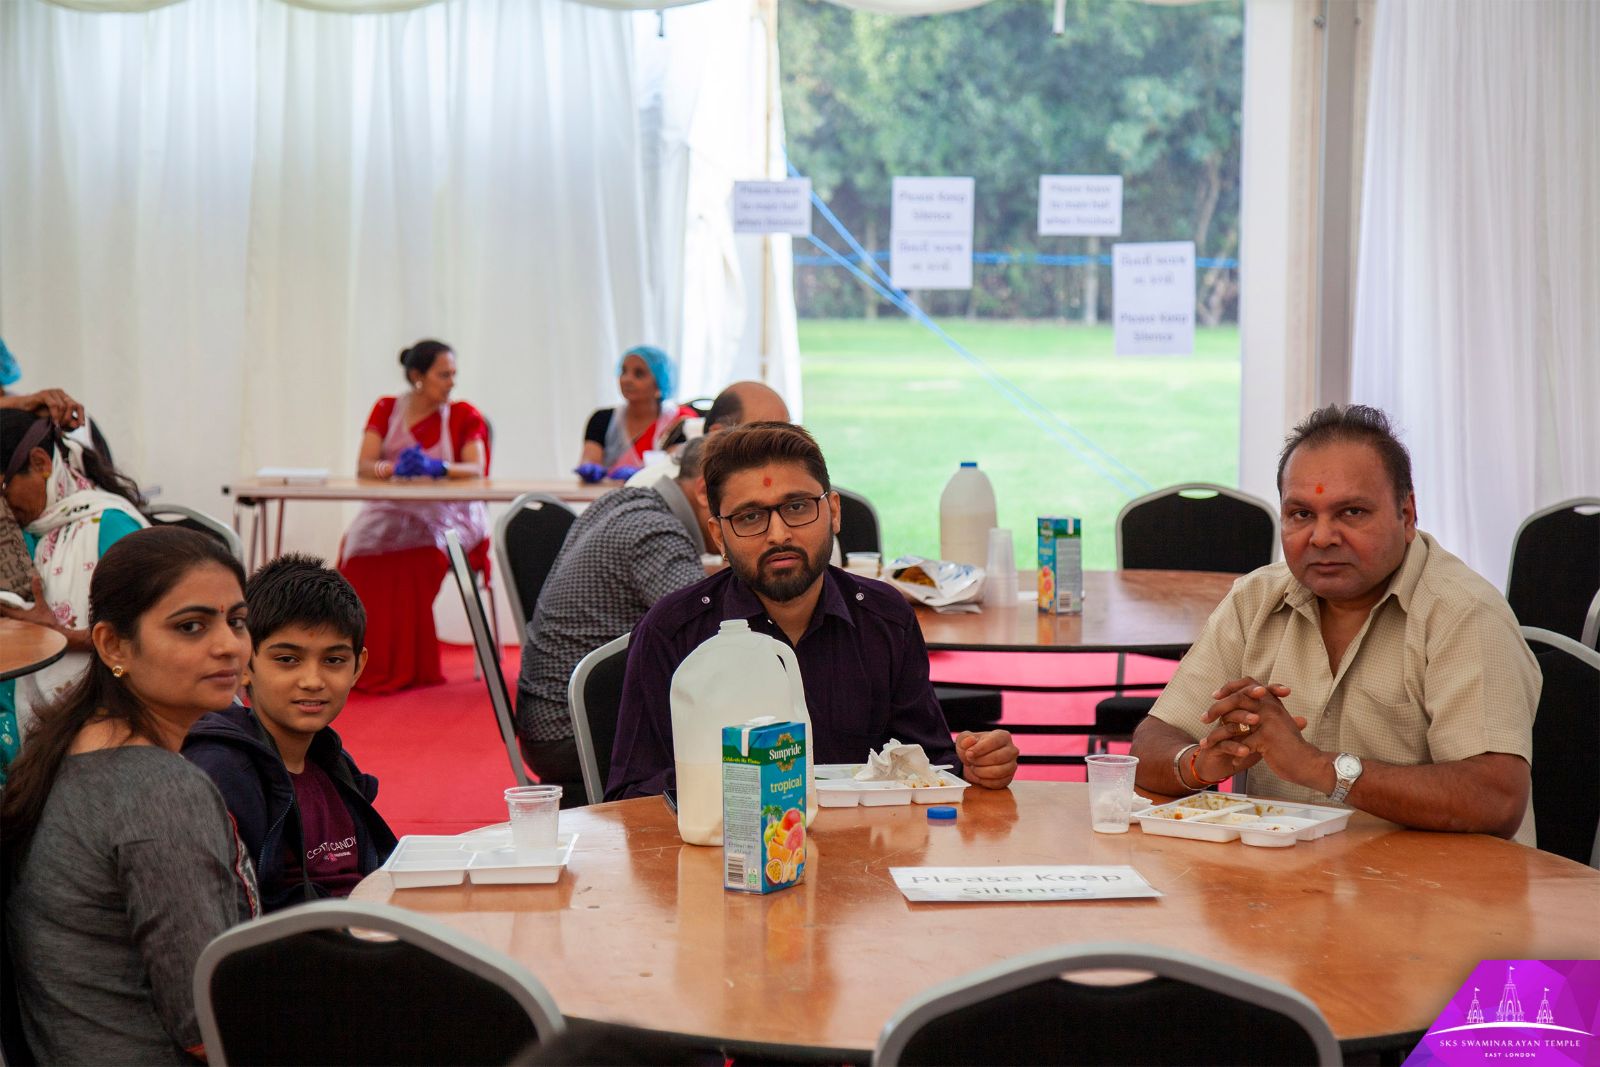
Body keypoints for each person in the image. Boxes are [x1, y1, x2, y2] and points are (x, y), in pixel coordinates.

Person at [1129, 404, 1541, 843]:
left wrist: (1315, 766)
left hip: (1437, 899)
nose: (1322, 537)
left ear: (1406, 515)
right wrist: (1199, 763)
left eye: (1351, 513)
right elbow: (1153, 740)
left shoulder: (1463, 613)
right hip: (1285, 892)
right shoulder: (1255, 600)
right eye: (1302, 514)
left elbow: (1496, 798)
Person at [605, 422, 1019, 800]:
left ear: (834, 512)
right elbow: (631, 796)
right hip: (726, 866)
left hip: (865, 864)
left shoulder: (884, 619)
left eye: (798, 507)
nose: (779, 534)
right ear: (719, 536)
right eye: (750, 517)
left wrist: (977, 764)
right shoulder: (675, 632)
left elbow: (930, 765)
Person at [1, 527, 260, 1064]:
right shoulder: (160, 792)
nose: (229, 645)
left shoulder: (64, 745)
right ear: (113, 646)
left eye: (236, 620)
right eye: (191, 627)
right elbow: (204, 1019)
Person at [184, 554, 398, 911]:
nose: (312, 681)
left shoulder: (333, 763)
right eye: (287, 659)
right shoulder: (222, 773)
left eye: (333, 660)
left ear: (358, 667)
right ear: (244, 664)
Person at [516, 438, 714, 803]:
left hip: (550, 717)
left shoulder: (624, 501)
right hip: (575, 730)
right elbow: (707, 640)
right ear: (704, 491)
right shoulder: (657, 533)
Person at [0, 409, 148, 781]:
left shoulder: (111, 526)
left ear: (40, 463)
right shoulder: (31, 532)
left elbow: (149, 639)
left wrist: (58, 636)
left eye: (2, 489)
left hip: (108, 726)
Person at [339, 339, 490, 692]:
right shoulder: (387, 409)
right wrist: (389, 468)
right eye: (443, 375)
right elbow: (364, 464)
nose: (451, 382)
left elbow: (476, 467)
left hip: (449, 512)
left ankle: (408, 663)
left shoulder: (464, 414)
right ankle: (353, 658)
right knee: (358, 551)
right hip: (391, 508)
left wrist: (439, 468)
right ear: (417, 376)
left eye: (453, 374)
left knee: (421, 558)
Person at [578, 345, 697, 481]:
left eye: (638, 374)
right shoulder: (602, 419)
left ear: (660, 383)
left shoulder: (678, 422)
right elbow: (589, 459)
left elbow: (674, 467)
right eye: (623, 371)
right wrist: (589, 469)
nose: (626, 379)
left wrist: (642, 473)